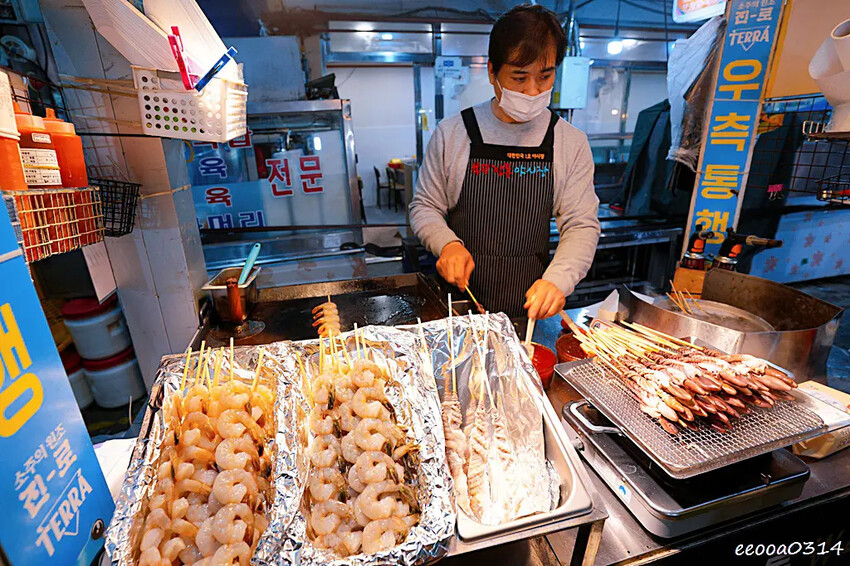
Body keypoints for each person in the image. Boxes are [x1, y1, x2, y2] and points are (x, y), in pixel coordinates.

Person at [409, 4, 600, 321]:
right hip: (459, 309)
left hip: (529, 312)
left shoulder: (570, 142)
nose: (532, 90)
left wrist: (558, 280)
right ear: (492, 72)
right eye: (519, 77)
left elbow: (581, 224)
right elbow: (425, 206)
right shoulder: (453, 133)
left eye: (545, 76)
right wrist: (447, 245)